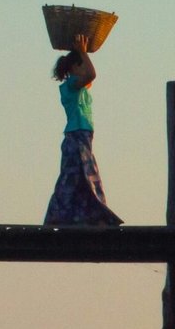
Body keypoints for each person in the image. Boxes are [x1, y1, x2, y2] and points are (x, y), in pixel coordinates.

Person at [44, 33, 124, 227]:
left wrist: (83, 52)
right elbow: (91, 74)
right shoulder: (72, 85)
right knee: (77, 176)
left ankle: (88, 216)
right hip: (76, 137)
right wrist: (82, 52)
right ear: (73, 68)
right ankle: (62, 216)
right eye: (81, 65)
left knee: (81, 178)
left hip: (83, 136)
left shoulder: (80, 87)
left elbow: (89, 76)